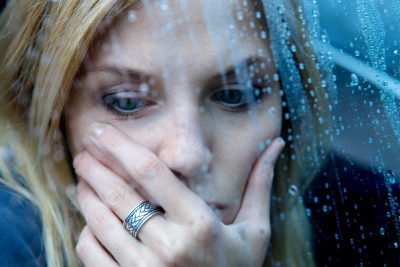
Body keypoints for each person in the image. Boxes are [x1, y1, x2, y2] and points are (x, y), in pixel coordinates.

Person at [0, 0, 334, 266]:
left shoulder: (358, 220)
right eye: (127, 102)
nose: (187, 156)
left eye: (236, 95)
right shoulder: (11, 241)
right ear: (53, 115)